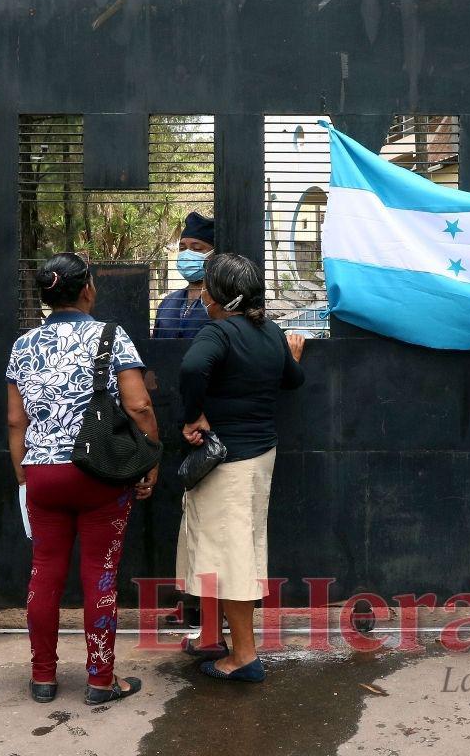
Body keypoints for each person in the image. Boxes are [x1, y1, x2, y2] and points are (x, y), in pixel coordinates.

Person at [6, 252, 160, 706]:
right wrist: (150, 459)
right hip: (101, 475)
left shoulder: (23, 345)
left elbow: (17, 422)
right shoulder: (111, 336)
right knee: (100, 575)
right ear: (88, 288)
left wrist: (25, 476)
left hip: (42, 476)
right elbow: (139, 407)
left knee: (44, 572)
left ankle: (42, 679)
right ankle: (99, 681)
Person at [177, 253, 306, 683]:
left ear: (215, 296)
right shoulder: (270, 332)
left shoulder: (219, 333)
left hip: (227, 464)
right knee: (223, 545)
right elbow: (293, 380)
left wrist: (193, 414)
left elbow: (193, 366)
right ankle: (210, 636)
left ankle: (244, 656)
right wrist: (292, 354)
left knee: (230, 554)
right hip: (258, 456)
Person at [154, 211, 215, 339]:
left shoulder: (221, 305)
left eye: (197, 249)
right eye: (182, 248)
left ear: (214, 254)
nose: (187, 254)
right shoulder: (168, 303)